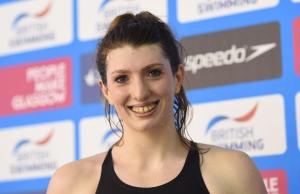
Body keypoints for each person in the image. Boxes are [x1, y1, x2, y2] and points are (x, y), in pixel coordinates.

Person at [46, 11, 267, 194]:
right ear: (106, 91)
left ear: (178, 77)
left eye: (153, 73)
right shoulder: (70, 184)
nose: (140, 93)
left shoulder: (233, 171)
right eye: (122, 78)